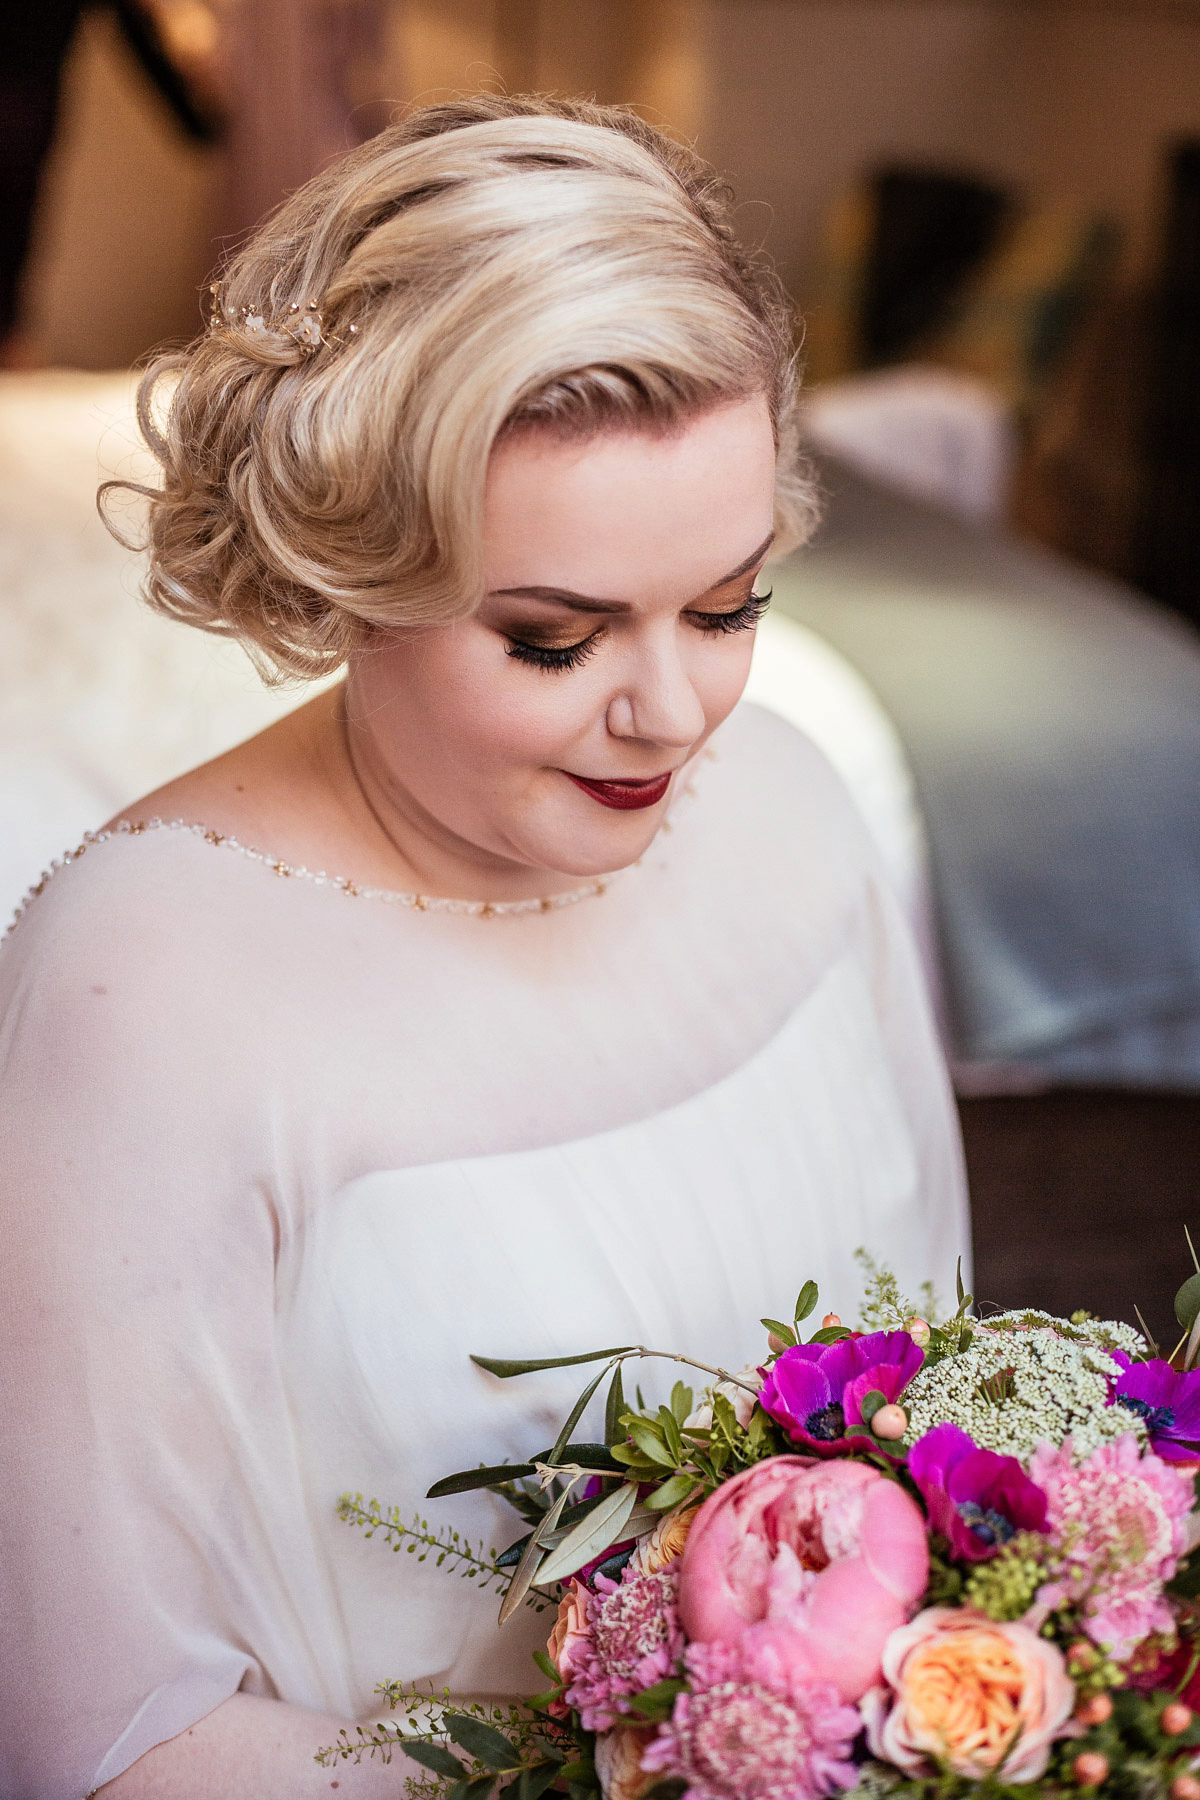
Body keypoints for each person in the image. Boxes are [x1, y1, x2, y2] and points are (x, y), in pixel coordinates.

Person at [0, 94, 968, 1799]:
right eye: (552, 637)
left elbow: (945, 1409)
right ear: (358, 568)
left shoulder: (802, 801)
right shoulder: (138, 995)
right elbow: (105, 1740)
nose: (671, 712)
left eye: (730, 603)